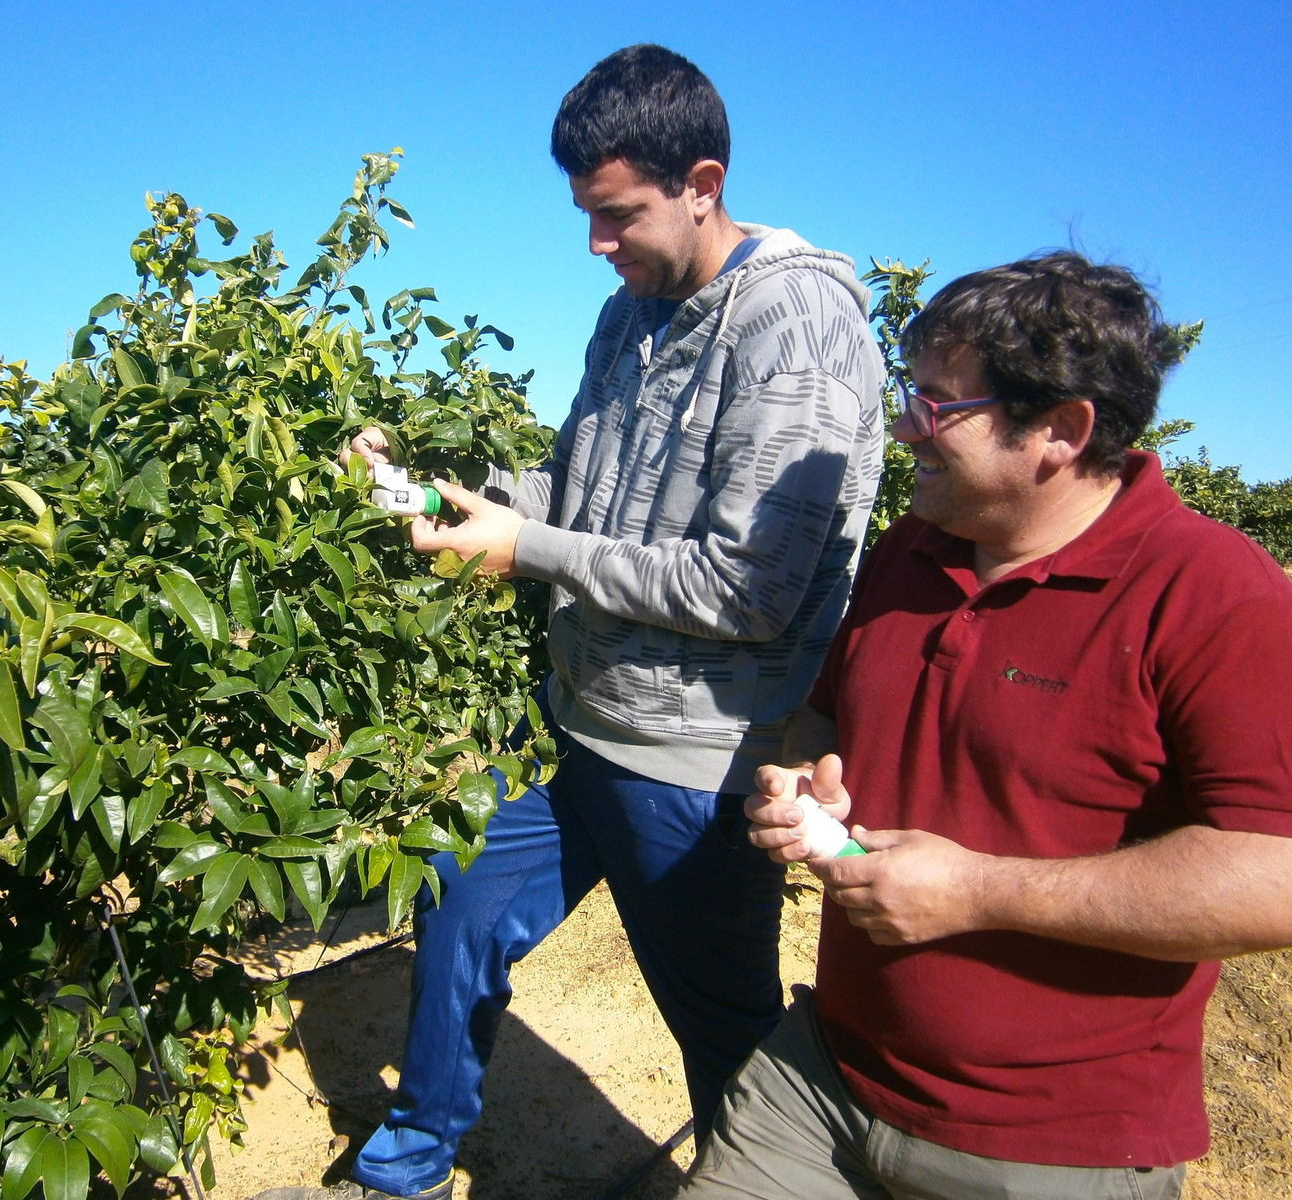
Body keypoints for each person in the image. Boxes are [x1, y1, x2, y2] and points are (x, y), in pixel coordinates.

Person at [257, 44, 885, 1200]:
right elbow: (569, 491)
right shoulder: (626, 318)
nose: (598, 245)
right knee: (458, 912)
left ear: (703, 181)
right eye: (585, 216)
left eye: (618, 216)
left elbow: (754, 589)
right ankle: (408, 1158)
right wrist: (456, 493)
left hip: (694, 765)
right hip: (583, 730)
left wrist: (528, 551)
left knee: (724, 1032)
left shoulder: (796, 329)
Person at [681, 251, 1292, 1199]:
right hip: (827, 1074)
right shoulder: (912, 550)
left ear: (1061, 431)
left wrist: (979, 892)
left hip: (1050, 1149)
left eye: (939, 406)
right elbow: (824, 711)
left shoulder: (1219, 599)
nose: (905, 427)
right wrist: (803, 778)